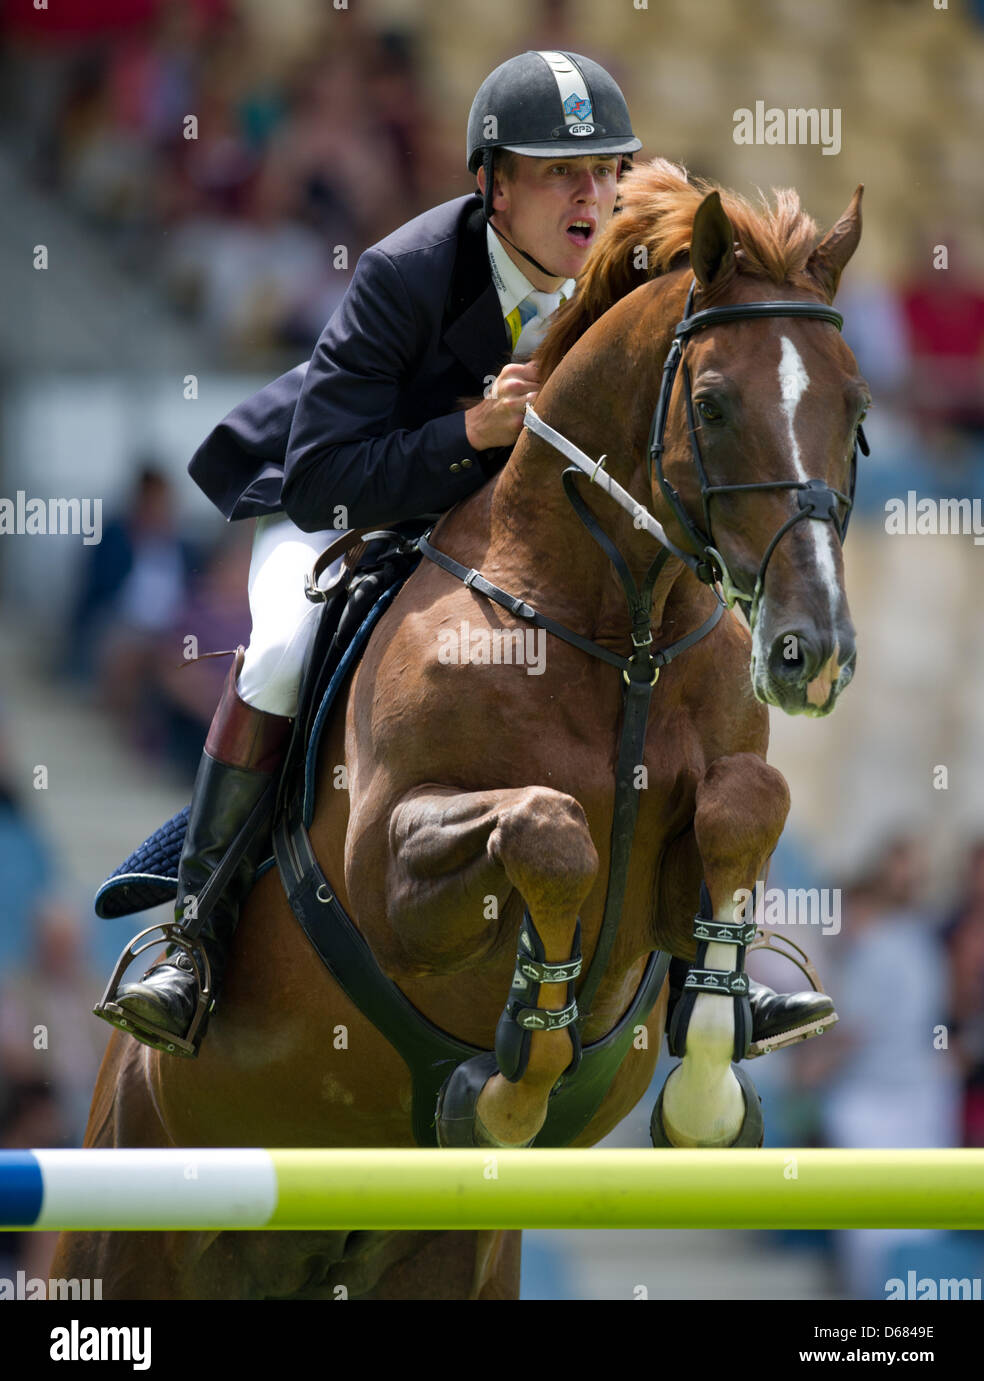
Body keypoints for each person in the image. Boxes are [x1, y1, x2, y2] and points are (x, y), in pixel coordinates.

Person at [98, 50, 835, 1061]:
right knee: (279, 642)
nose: (592, 196)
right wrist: (472, 435)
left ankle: (720, 968)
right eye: (556, 173)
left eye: (607, 170)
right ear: (493, 185)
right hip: (356, 507)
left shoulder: (639, 277)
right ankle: (196, 931)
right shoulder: (408, 272)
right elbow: (322, 475)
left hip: (545, 550)